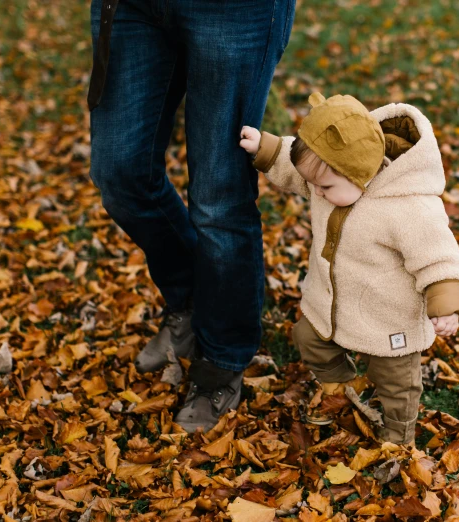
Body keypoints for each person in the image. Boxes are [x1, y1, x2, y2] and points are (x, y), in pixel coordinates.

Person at [87, 0, 296, 433]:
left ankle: (222, 358)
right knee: (120, 173)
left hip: (234, 13)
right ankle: (192, 299)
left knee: (219, 198)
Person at [239, 93, 459, 444]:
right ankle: (344, 385)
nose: (315, 191)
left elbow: (436, 253)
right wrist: (266, 148)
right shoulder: (329, 179)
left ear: (359, 174)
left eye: (324, 186)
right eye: (314, 184)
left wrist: (444, 300)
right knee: (308, 338)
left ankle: (398, 435)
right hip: (335, 305)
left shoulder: (408, 207)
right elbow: (300, 167)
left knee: (395, 382)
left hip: (392, 318)